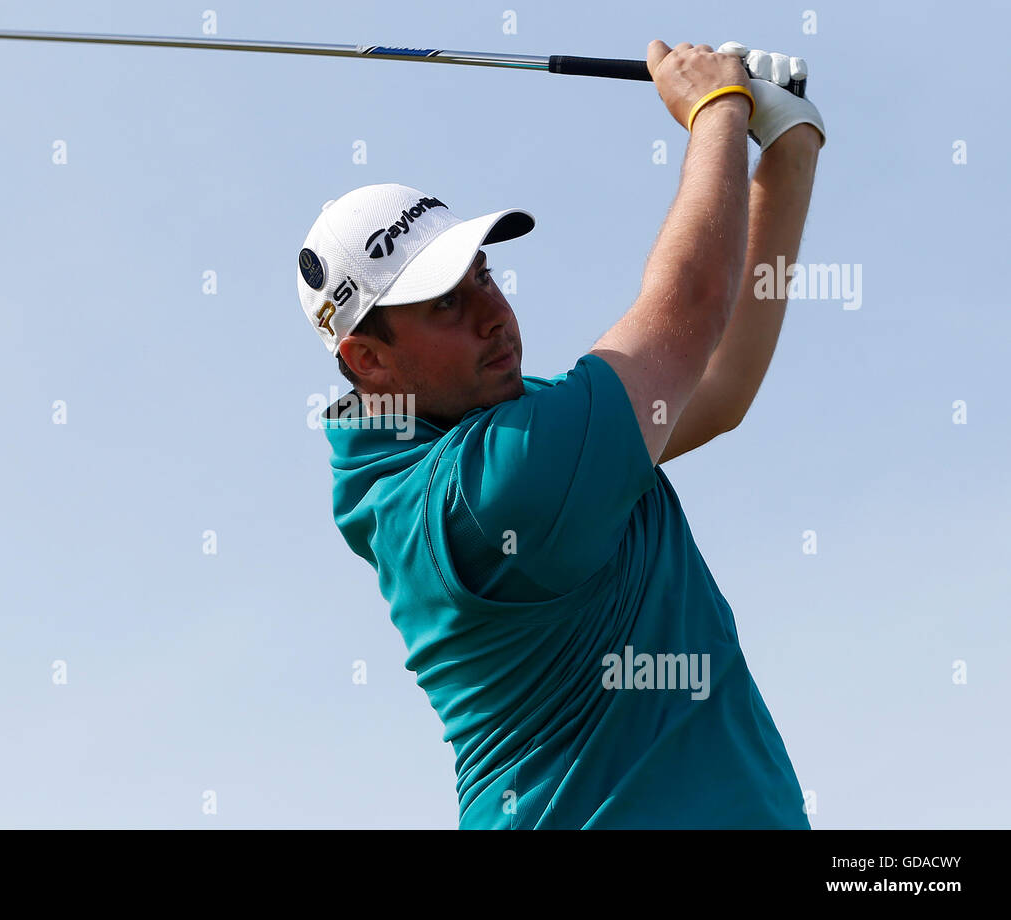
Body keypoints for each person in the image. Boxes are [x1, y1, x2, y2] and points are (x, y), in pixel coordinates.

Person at [296, 40, 825, 828]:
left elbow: (716, 389)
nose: (492, 312)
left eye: (482, 274)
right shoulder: (491, 492)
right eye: (444, 301)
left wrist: (790, 144)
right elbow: (688, 312)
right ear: (367, 360)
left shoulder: (503, 434)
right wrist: (714, 110)